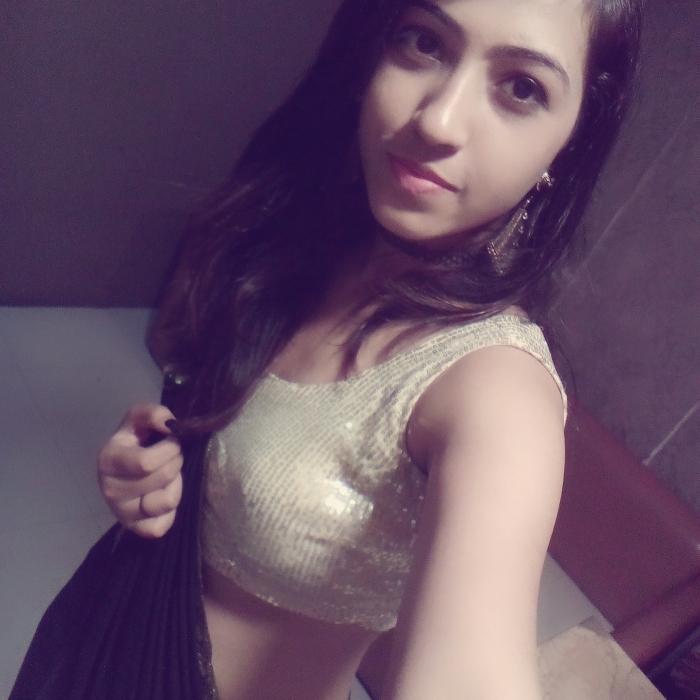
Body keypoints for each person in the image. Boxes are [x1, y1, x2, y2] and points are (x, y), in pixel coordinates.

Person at [11, 0, 641, 699]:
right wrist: (154, 476)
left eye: (521, 87)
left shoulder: (495, 389)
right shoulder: (311, 241)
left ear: (570, 142)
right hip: (96, 642)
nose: (438, 120)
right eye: (424, 43)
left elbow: (471, 675)